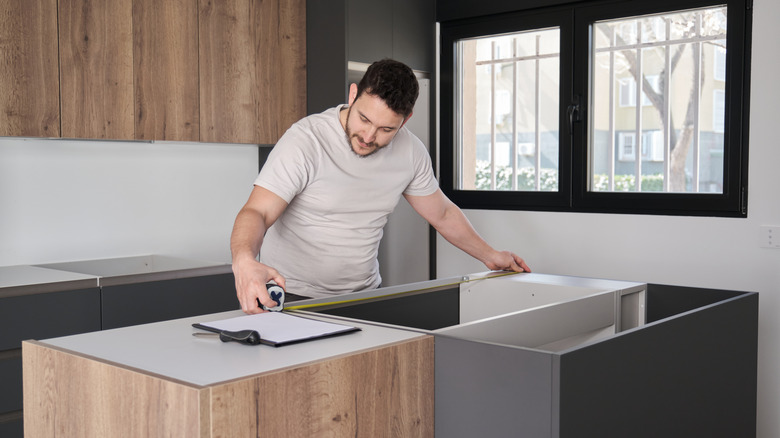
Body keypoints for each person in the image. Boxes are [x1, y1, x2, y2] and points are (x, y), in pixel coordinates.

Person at [231, 59, 530, 314]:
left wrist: (490, 255)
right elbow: (258, 211)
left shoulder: (410, 152)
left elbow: (442, 214)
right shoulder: (305, 141)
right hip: (292, 296)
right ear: (353, 94)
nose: (368, 136)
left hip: (365, 295)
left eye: (386, 129)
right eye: (364, 119)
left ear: (405, 120)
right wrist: (244, 260)